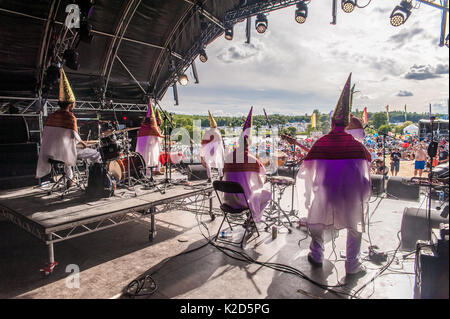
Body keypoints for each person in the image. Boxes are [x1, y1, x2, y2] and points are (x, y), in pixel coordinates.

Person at [296, 73, 371, 276]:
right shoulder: (357, 146)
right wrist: (362, 196)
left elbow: (307, 171)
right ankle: (352, 264)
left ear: (331, 122)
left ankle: (317, 254)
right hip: (350, 194)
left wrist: (310, 195)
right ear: (347, 123)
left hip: (326, 191)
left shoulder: (320, 143)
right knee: (355, 226)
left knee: (317, 221)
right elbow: (365, 176)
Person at [36, 68, 102, 187]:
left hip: (50, 154)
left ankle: (70, 179)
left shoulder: (51, 117)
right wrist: (83, 143)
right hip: (62, 152)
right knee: (95, 154)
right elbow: (75, 138)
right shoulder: (70, 117)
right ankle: (96, 181)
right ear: (71, 104)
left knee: (66, 151)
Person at [222, 107, 271, 224]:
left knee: (248, 187)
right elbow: (263, 178)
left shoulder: (228, 157)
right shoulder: (252, 160)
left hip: (227, 201)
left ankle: (251, 218)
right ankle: (253, 218)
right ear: (249, 143)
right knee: (267, 194)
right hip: (243, 202)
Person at [135, 100, 163, 177]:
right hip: (149, 148)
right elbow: (159, 137)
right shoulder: (153, 127)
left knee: (146, 158)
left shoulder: (142, 128)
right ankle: (149, 172)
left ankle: (152, 171)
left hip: (146, 148)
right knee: (149, 159)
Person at [200, 111, 225, 183]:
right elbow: (221, 143)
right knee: (219, 162)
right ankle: (220, 176)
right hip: (217, 149)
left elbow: (204, 142)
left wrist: (202, 153)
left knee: (208, 163)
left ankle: (210, 177)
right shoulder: (218, 132)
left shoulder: (207, 132)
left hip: (209, 149)